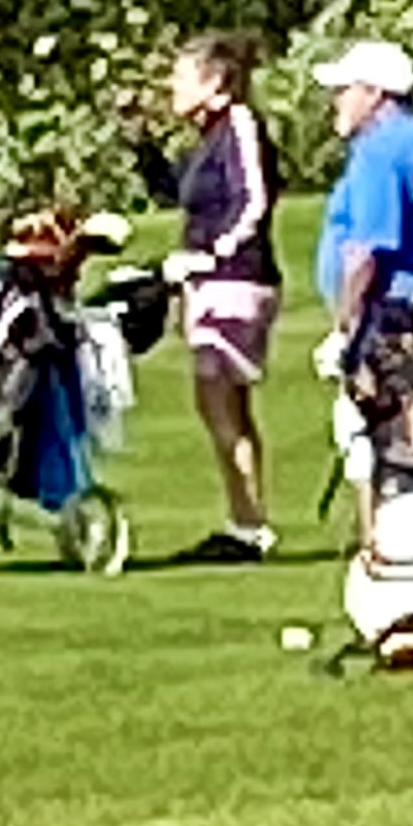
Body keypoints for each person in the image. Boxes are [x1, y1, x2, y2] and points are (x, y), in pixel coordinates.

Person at [124, 33, 285, 564]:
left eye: (181, 77)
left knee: (219, 398)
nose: (172, 87)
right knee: (222, 403)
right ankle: (246, 521)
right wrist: (140, 141)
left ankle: (249, 526)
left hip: (235, 279)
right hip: (211, 281)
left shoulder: (238, 124)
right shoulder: (207, 135)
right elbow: (177, 191)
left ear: (215, 81)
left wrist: (210, 256)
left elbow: (254, 201)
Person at [306, 38, 413, 537]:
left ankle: (384, 547)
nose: (337, 102)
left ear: (374, 93)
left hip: (389, 314)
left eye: (344, 90)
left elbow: (367, 253)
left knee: (371, 435)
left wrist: (343, 328)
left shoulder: (377, 153)